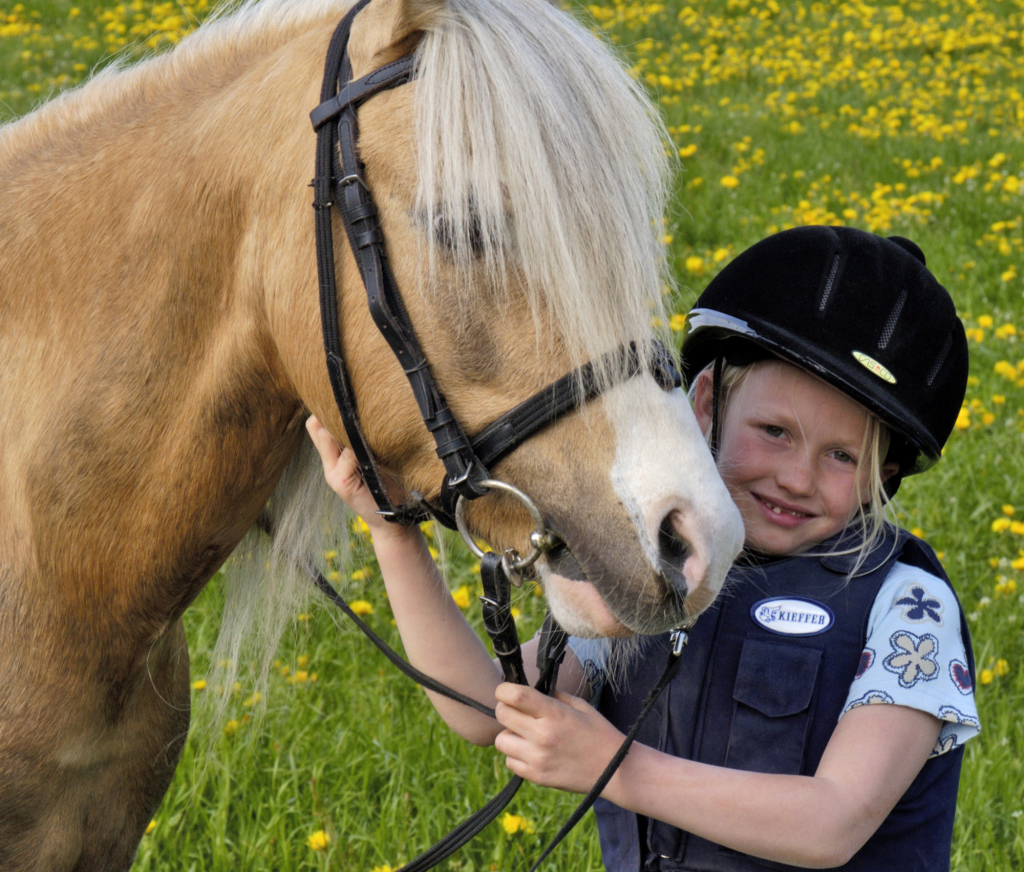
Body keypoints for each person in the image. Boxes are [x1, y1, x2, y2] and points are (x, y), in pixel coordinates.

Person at [308, 225, 978, 871]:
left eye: (841, 456)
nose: (797, 477)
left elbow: (834, 821)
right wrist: (392, 533)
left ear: (883, 477)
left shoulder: (909, 604)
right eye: (774, 431)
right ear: (707, 402)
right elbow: (487, 707)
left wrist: (617, 767)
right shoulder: (660, 562)